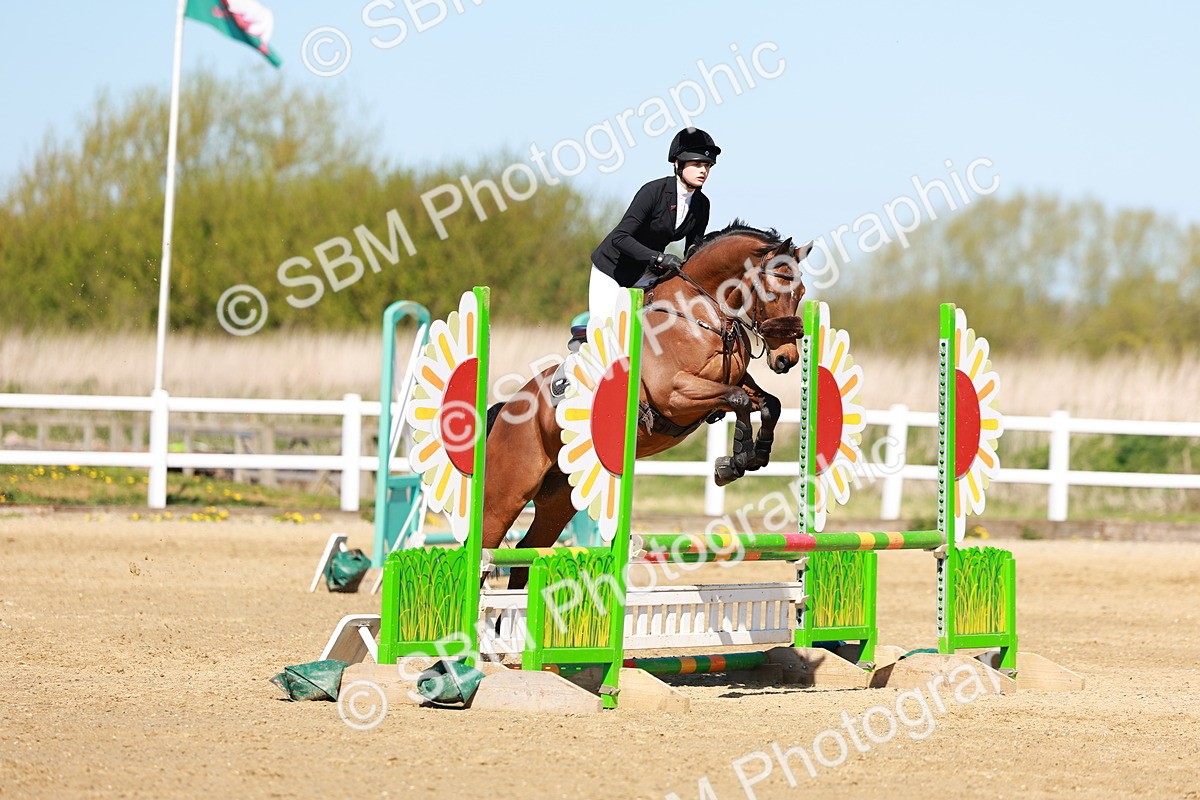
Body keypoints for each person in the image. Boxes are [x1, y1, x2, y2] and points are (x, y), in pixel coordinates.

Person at [573, 127, 720, 347]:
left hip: (647, 274)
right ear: (678, 164)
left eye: (707, 166)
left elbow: (693, 251)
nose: (704, 171)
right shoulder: (653, 191)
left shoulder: (702, 204)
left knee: (658, 331)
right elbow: (620, 237)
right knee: (605, 341)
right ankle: (572, 373)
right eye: (697, 164)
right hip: (612, 270)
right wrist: (660, 259)